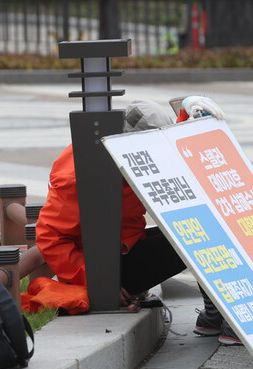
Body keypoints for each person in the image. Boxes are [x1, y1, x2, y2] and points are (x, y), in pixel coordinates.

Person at [34, 96, 240, 345]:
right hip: (107, 271)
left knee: (201, 223)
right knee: (199, 231)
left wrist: (188, 111)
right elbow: (49, 237)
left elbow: (165, 141)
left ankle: (213, 315)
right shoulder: (79, 177)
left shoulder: (119, 149)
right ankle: (219, 315)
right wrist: (99, 283)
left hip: (124, 247)